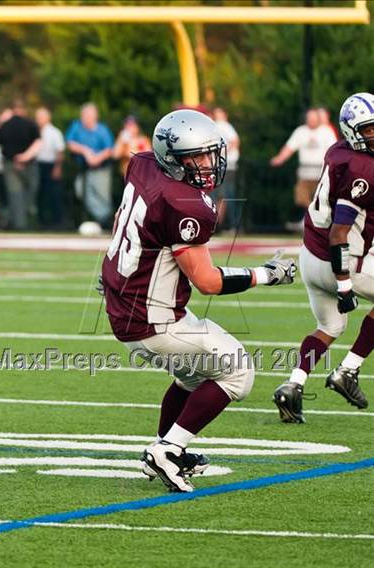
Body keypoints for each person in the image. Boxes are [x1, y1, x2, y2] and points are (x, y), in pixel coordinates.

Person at [101, 109, 297, 493]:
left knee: (193, 375)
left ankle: (162, 448)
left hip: (128, 303)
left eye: (209, 154)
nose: (207, 165)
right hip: (153, 318)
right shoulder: (185, 203)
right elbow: (207, 281)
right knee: (238, 371)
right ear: (173, 159)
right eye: (196, 158)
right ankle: (169, 450)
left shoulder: (142, 163)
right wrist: (265, 274)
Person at [273, 92, 374, 424]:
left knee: (330, 326)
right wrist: (344, 285)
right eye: (370, 129)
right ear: (352, 131)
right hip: (338, 260)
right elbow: (339, 233)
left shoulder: (337, 150)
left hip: (310, 256)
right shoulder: (362, 167)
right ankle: (347, 370)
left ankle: (293, 385)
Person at [270, 108, 337, 232]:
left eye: (313, 118)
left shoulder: (326, 131)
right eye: (309, 118)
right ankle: (311, 219)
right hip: (305, 174)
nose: (311, 121)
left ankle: (313, 221)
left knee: (322, 199)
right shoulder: (301, 131)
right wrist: (280, 158)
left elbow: (334, 150)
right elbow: (289, 147)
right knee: (301, 198)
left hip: (321, 175)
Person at [66, 103, 114, 230]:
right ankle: (103, 218)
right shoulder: (76, 126)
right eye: (84, 115)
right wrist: (85, 151)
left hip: (101, 168)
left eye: (89, 115)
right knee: (80, 190)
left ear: (95, 116)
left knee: (102, 195)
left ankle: (107, 221)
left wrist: (96, 158)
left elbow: (109, 149)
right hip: (84, 169)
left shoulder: (102, 129)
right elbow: (70, 143)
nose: (86, 118)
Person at [0, 99, 41, 230]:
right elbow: (38, 143)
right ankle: (24, 219)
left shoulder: (4, 125)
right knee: (31, 190)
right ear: (24, 110)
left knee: (15, 194)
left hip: (10, 164)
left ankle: (19, 224)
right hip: (29, 164)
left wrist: (15, 158)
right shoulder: (31, 124)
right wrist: (24, 157)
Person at [35, 107, 65, 228]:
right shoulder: (35, 130)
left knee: (53, 194)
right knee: (40, 195)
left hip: (50, 165)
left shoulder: (54, 132)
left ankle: (56, 221)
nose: (39, 120)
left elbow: (60, 151)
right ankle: (42, 221)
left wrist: (57, 167)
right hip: (38, 165)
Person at [212, 107, 240, 231]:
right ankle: (220, 224)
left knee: (225, 195)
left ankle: (227, 224)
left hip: (226, 166)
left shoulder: (223, 125)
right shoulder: (221, 125)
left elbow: (235, 141)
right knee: (223, 195)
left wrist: (223, 154)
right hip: (225, 165)